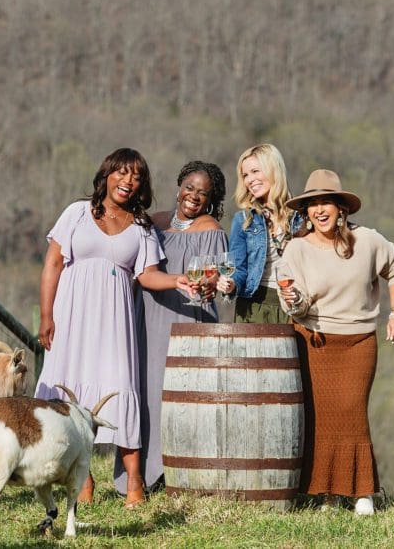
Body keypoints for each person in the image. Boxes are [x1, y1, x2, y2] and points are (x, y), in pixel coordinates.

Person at [34, 148, 192, 509]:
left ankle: (134, 480)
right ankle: (82, 477)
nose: (128, 181)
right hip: (71, 318)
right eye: (121, 173)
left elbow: (148, 275)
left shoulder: (141, 227)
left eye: (136, 176)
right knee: (69, 391)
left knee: (121, 389)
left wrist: (178, 281)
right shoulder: (77, 213)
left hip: (114, 322)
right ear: (106, 175)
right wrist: (46, 316)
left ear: (142, 186)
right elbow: (53, 263)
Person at [278, 168, 394, 516]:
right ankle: (327, 494)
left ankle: (361, 491)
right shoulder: (297, 249)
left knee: (351, 412)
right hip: (312, 340)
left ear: (341, 209)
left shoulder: (368, 241)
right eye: (313, 205)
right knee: (320, 417)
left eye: (327, 203)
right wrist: (291, 299)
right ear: (305, 212)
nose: (320, 210)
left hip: (357, 343)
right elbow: (297, 302)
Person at [114, 160, 228, 495]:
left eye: (203, 193)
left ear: (211, 199)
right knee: (143, 392)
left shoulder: (211, 230)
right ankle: (137, 474)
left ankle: (177, 474)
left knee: (178, 394)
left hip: (185, 320)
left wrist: (210, 285)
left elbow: (214, 277)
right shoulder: (154, 223)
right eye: (189, 188)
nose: (194, 196)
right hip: (146, 317)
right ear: (179, 186)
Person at [217, 143, 302, 323]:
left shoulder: (301, 217)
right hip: (252, 308)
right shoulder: (244, 220)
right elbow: (238, 269)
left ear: (274, 170)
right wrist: (231, 284)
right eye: (245, 175)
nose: (249, 180)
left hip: (295, 307)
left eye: (255, 171)